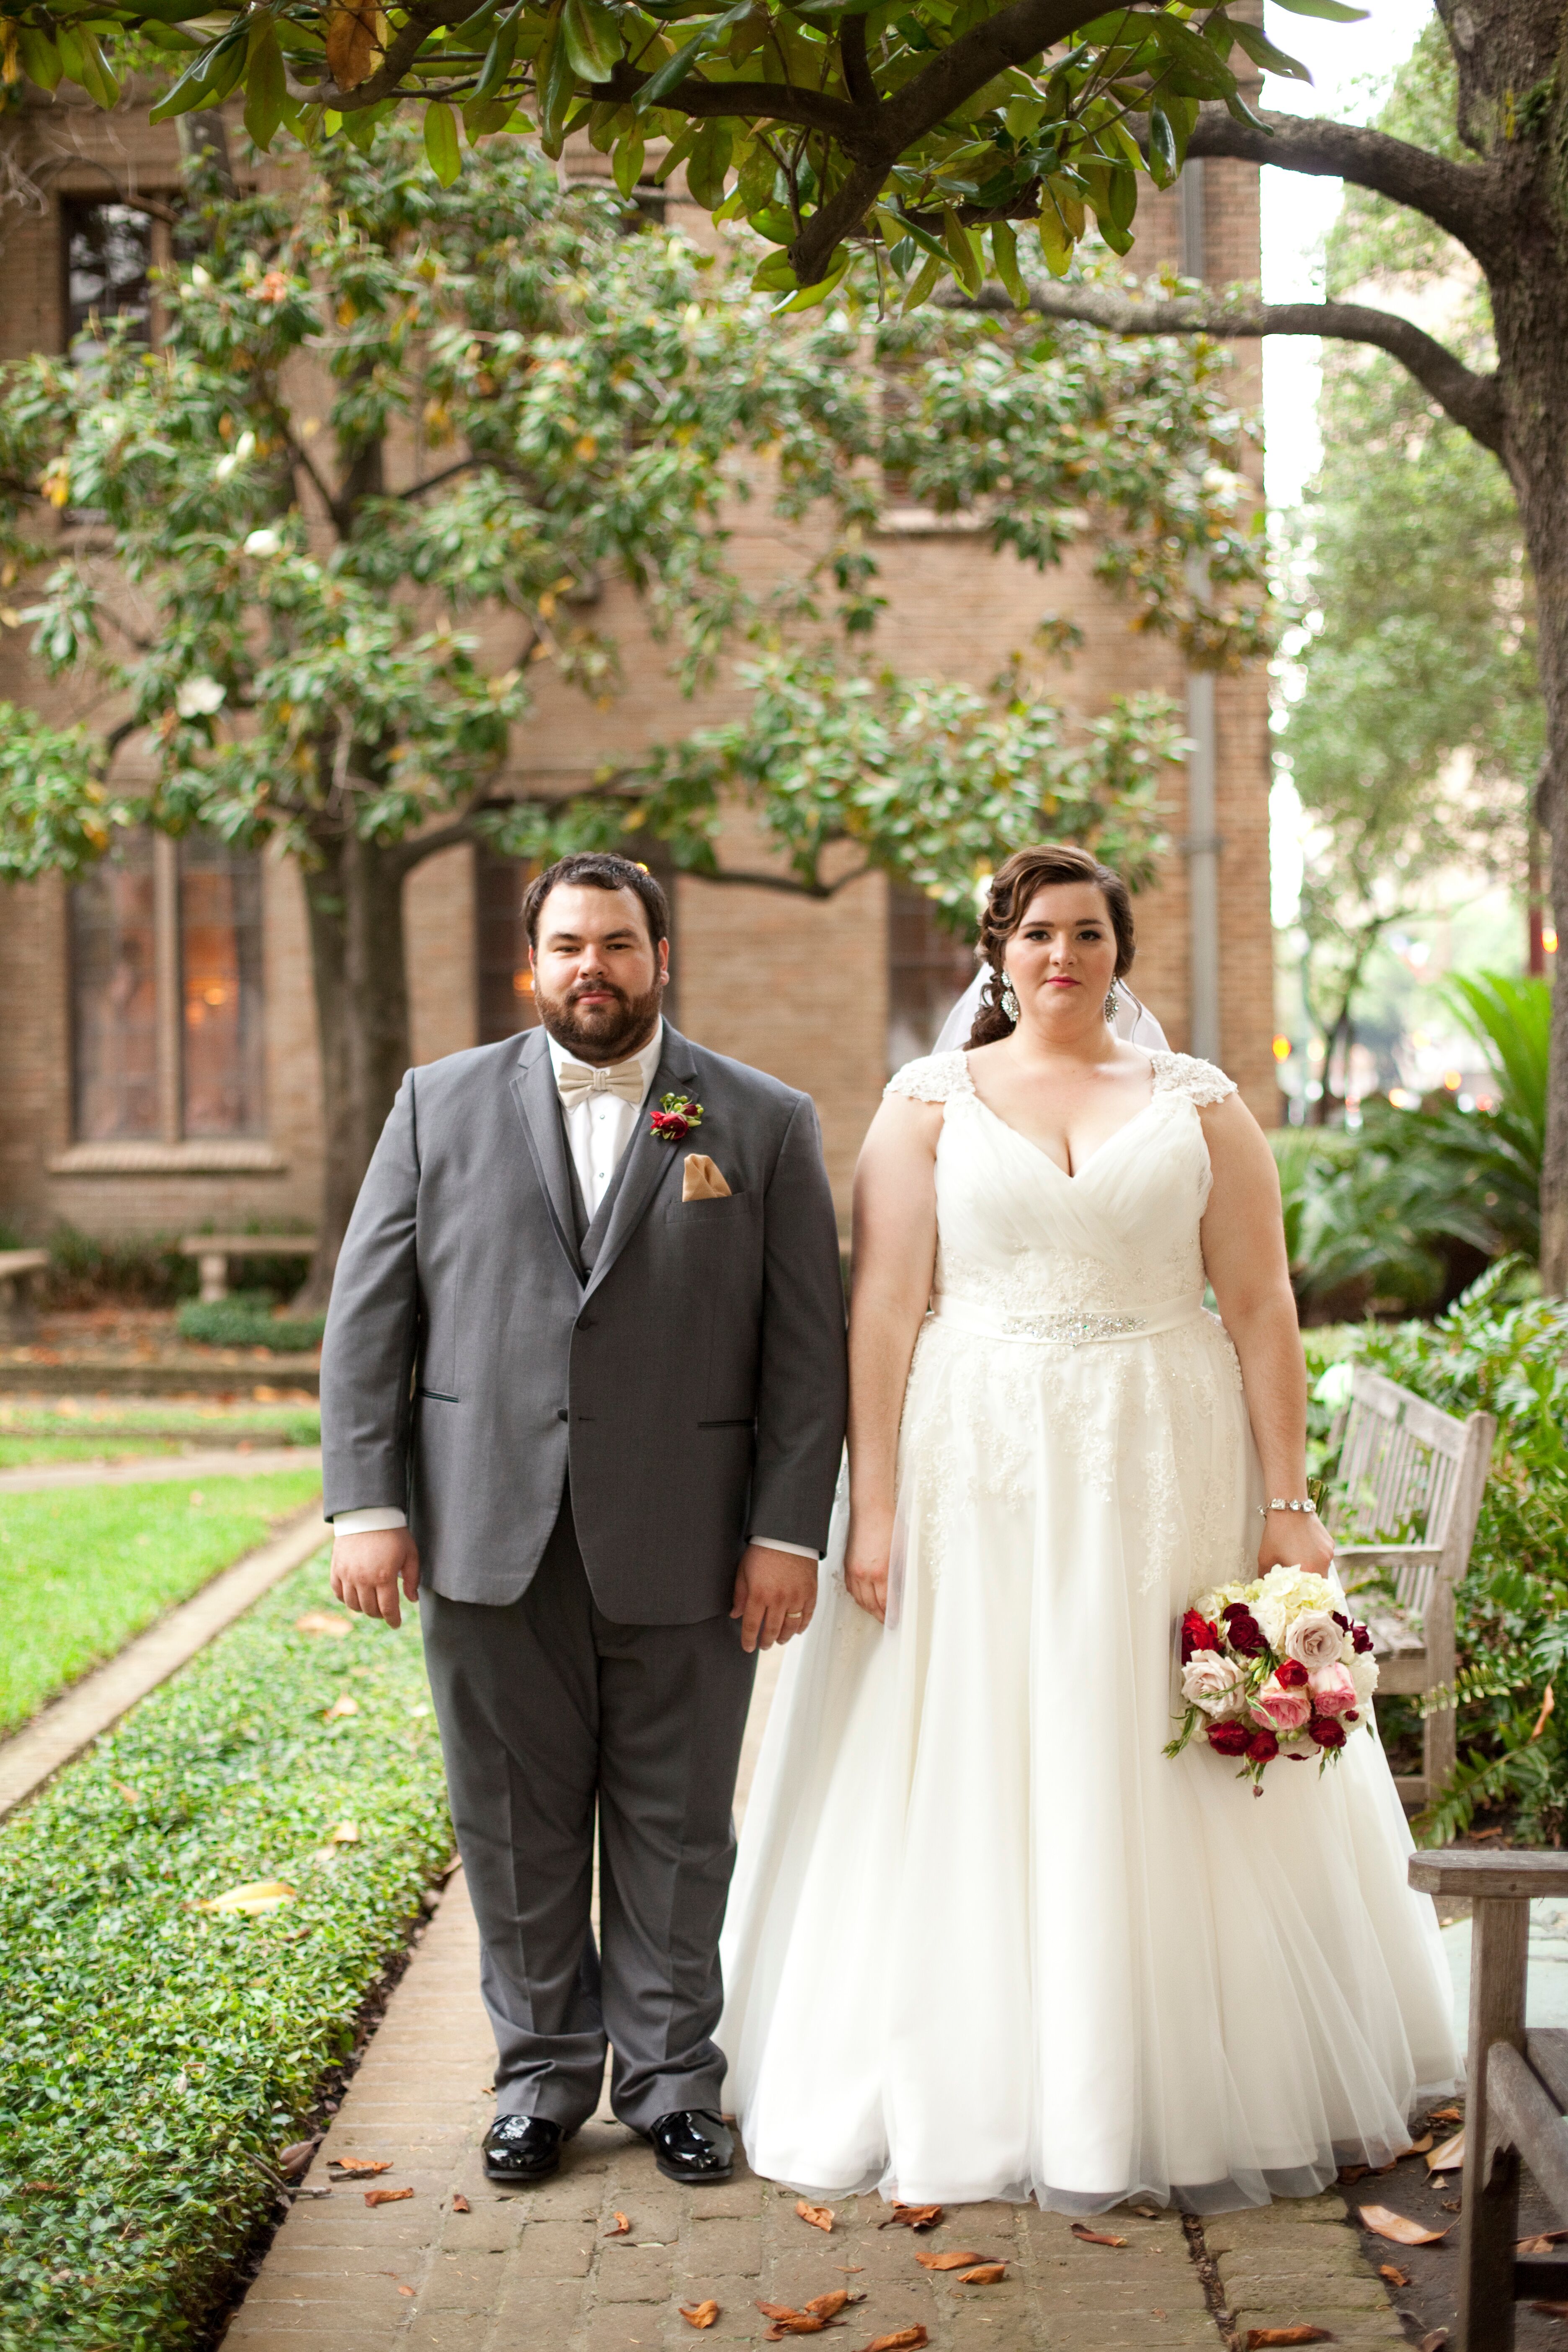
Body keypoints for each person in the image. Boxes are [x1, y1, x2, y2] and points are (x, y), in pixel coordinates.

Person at [719, 842, 1458, 2214]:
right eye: (1040, 935)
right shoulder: (925, 1107)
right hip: (974, 1461)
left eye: (1091, 937)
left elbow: (1261, 1311)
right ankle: (987, 2078)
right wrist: (869, 1507)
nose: (1064, 958)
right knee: (987, 1733)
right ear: (997, 953)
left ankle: (1179, 2086)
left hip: (1162, 1456)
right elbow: (882, 1311)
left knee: (1144, 1729)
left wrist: (1289, 1504)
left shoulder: (1202, 1107)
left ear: (1123, 958)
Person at [320, 852, 847, 2190]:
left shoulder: (765, 1121)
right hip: (487, 1533)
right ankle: (541, 2079)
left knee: (678, 1829)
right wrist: (367, 1504)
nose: (591, 970)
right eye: (566, 947)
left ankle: (676, 2081)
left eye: (616, 945)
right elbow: (370, 1319)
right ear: (532, 962)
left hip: (691, 1540)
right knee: (512, 1819)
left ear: (660, 956)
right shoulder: (436, 1106)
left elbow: (806, 1354)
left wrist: (788, 1532)